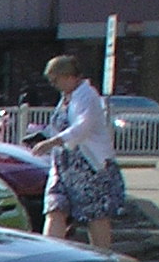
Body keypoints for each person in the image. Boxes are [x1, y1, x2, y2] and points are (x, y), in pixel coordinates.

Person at [26, 54, 126, 250]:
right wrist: (40, 134)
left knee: (95, 215)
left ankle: (103, 259)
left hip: (89, 166)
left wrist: (52, 141)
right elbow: (59, 126)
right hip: (63, 165)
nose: (54, 84)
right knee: (55, 208)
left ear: (69, 76)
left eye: (56, 80)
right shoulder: (66, 98)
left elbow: (82, 127)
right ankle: (50, 255)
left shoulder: (87, 96)